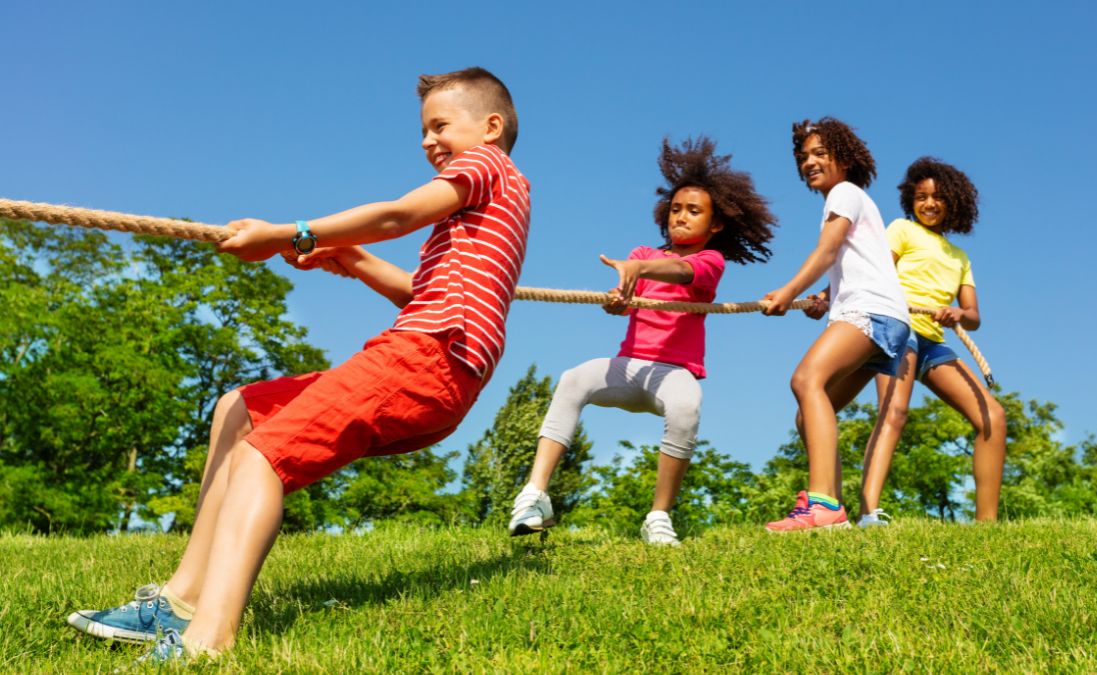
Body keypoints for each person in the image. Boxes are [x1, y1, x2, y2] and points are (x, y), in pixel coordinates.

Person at [66, 66, 531, 663]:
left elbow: (397, 215)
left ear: (491, 127)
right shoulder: (484, 216)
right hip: (434, 361)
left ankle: (207, 642)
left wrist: (296, 233)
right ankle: (179, 600)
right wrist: (353, 258)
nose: (426, 141)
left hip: (428, 356)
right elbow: (421, 291)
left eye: (440, 125)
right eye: (422, 130)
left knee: (261, 456)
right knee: (241, 410)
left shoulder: (487, 167)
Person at [508, 137, 775, 545]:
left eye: (693, 211)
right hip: (630, 368)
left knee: (687, 406)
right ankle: (534, 495)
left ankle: (658, 517)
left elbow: (682, 273)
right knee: (573, 379)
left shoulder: (708, 261)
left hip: (673, 374)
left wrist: (639, 268)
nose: (680, 217)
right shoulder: (642, 253)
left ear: (715, 224)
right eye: (675, 210)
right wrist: (618, 301)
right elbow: (627, 300)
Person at [760, 117, 910, 532]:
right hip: (883, 319)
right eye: (803, 156)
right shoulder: (855, 200)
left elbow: (827, 252)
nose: (809, 162)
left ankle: (823, 504)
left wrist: (788, 290)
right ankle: (833, 513)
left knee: (806, 380)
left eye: (820, 154)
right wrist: (824, 299)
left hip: (871, 314)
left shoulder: (843, 193)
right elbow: (855, 263)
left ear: (844, 158)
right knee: (809, 412)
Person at [854, 157, 1006, 526]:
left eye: (938, 198)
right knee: (895, 412)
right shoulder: (902, 230)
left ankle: (988, 525)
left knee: (993, 417)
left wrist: (956, 313)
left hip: (933, 341)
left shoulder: (960, 257)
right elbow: (876, 274)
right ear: (911, 200)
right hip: (899, 329)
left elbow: (974, 316)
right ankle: (868, 513)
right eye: (921, 196)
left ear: (954, 203)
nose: (929, 204)